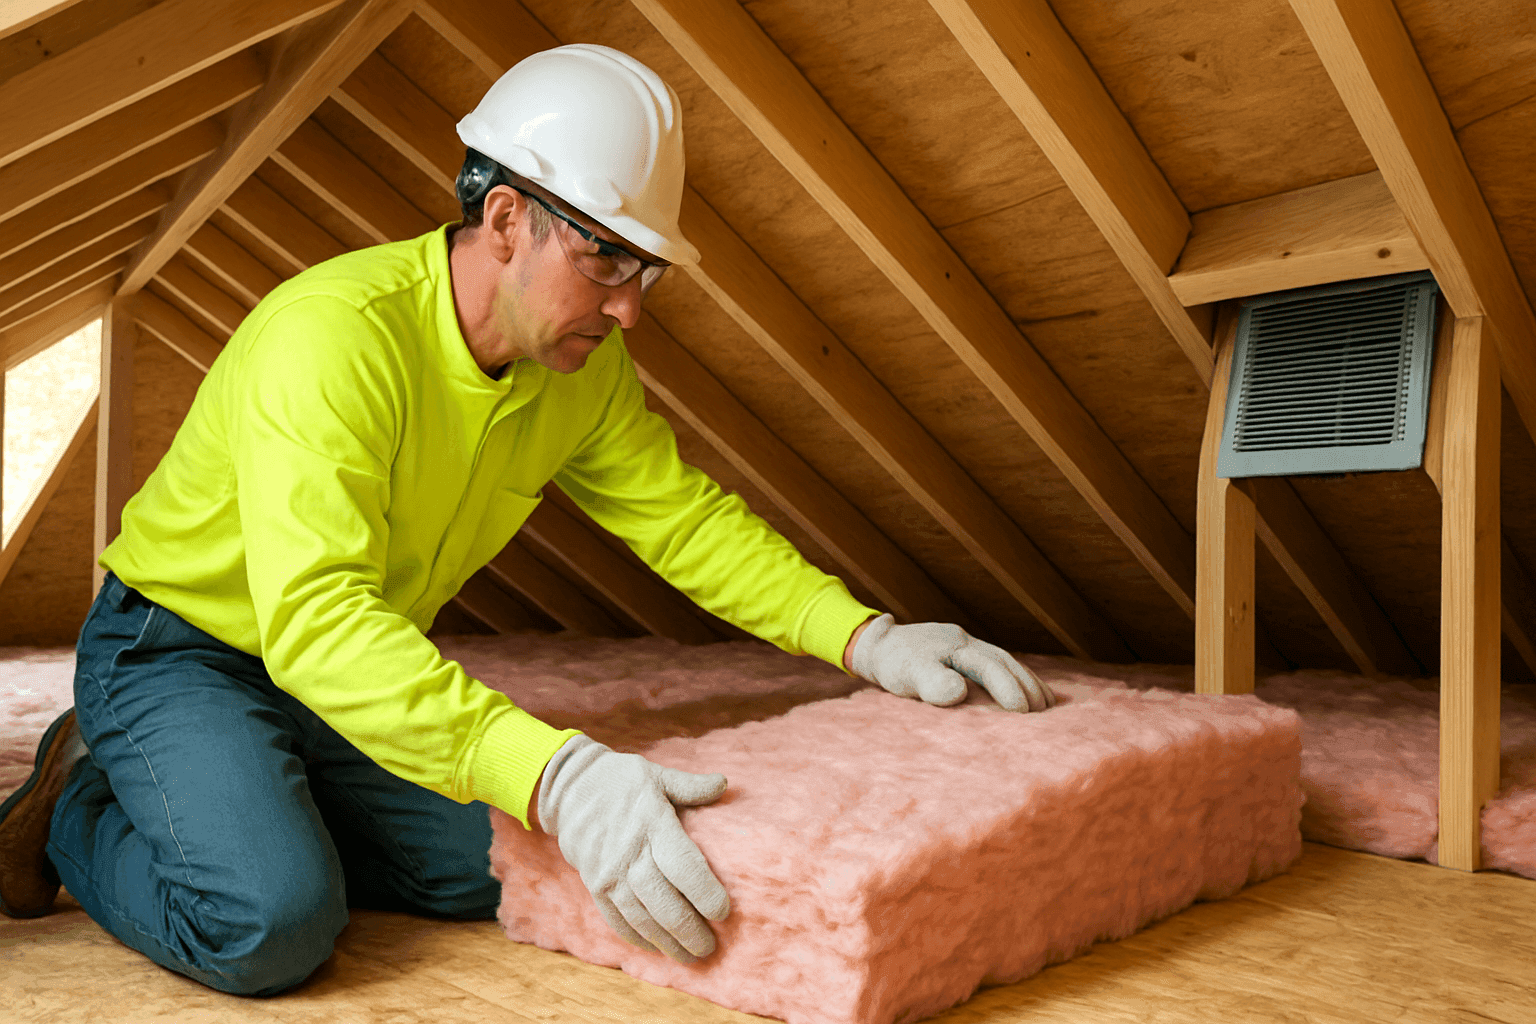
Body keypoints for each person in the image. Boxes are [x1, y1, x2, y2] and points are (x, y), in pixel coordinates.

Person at [0, 43, 1055, 993]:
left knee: (499, 867)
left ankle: (242, 797)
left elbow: (684, 522)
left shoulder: (579, 372)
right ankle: (83, 806)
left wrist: (865, 636)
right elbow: (317, 620)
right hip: (179, 651)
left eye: (645, 272)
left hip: (337, 670)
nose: (630, 305)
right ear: (506, 220)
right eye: (606, 259)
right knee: (272, 919)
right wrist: (554, 768)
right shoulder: (331, 340)